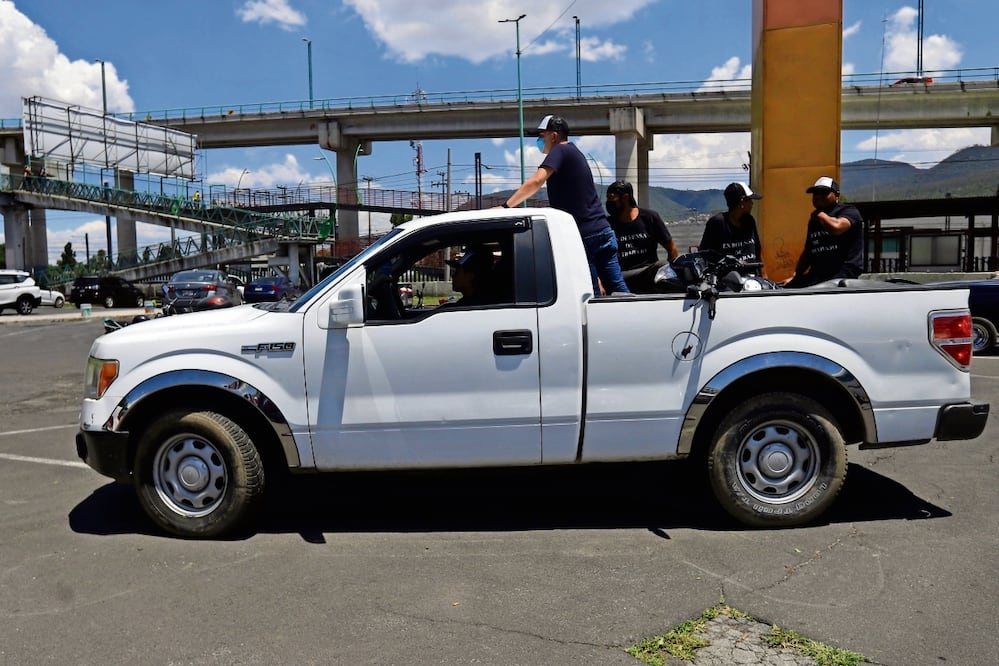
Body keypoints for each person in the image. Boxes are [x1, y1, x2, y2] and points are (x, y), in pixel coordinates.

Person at [499, 115, 629, 295]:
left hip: (585, 236)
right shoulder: (574, 152)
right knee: (618, 290)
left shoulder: (559, 150)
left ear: (553, 136)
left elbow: (536, 181)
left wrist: (506, 207)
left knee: (591, 297)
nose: (539, 141)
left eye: (541, 136)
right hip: (603, 231)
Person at [782, 177, 864, 288]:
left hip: (842, 273)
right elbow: (809, 252)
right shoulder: (814, 220)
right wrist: (797, 276)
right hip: (818, 273)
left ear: (837, 196)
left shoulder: (848, 211)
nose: (818, 197)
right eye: (815, 193)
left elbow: (837, 227)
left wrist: (820, 215)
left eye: (823, 193)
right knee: (787, 289)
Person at [606, 180, 678, 293]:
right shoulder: (608, 224)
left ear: (625, 197)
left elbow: (671, 247)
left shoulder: (650, 217)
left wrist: (673, 271)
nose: (608, 203)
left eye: (611, 198)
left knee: (663, 266)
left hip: (648, 272)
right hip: (621, 276)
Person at [699, 182, 766, 276]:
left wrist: (765, 278)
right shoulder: (717, 223)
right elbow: (704, 255)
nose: (752, 203)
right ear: (742, 202)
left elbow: (758, 251)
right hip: (726, 283)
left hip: (752, 281)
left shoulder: (749, 221)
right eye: (749, 200)